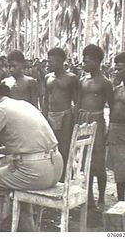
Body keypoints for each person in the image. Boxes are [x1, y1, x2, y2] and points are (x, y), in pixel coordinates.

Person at [0, 81, 63, 231]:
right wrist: (0, 150)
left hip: (35, 172)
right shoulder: (23, 104)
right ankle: (25, 227)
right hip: (55, 167)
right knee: (10, 177)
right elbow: (30, 141)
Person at [75, 44, 113, 209]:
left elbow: (111, 107)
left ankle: (102, 199)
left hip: (98, 123)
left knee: (98, 162)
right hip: (83, 122)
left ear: (97, 61)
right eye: (83, 60)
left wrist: (108, 131)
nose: (84, 63)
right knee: (86, 162)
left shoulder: (105, 83)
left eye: (87, 60)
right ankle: (89, 198)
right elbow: (77, 103)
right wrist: (76, 124)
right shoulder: (82, 80)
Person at [44, 48, 79, 181]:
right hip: (51, 116)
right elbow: (46, 100)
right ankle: (54, 175)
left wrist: (74, 121)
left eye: (51, 62)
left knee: (64, 148)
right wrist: (45, 117)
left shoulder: (71, 78)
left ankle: (64, 178)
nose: (48, 64)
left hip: (66, 116)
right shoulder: (48, 77)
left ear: (60, 62)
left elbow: (76, 102)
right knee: (51, 147)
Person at [106, 52, 125, 201]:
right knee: (119, 170)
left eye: (120, 69)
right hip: (114, 131)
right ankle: (121, 201)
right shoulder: (117, 89)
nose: (116, 72)